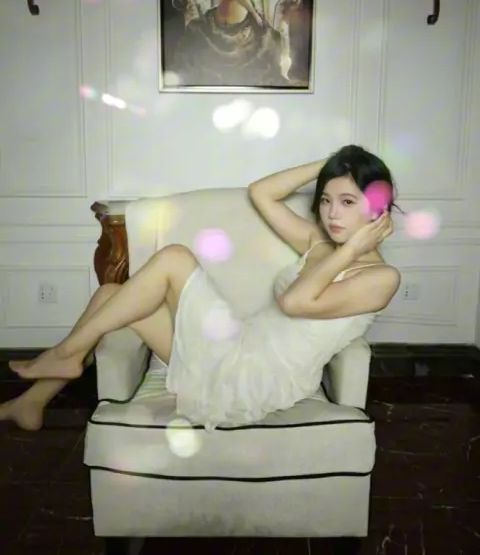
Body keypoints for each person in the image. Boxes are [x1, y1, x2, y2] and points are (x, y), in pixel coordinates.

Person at [0, 144, 400, 432]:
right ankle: (33, 402)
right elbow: (260, 193)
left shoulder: (381, 278)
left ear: (378, 208)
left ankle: (66, 353)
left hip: (256, 379)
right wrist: (332, 161)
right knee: (110, 295)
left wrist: (354, 249)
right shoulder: (319, 244)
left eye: (348, 202)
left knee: (174, 257)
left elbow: (295, 302)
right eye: (326, 200)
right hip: (235, 343)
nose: (331, 213)